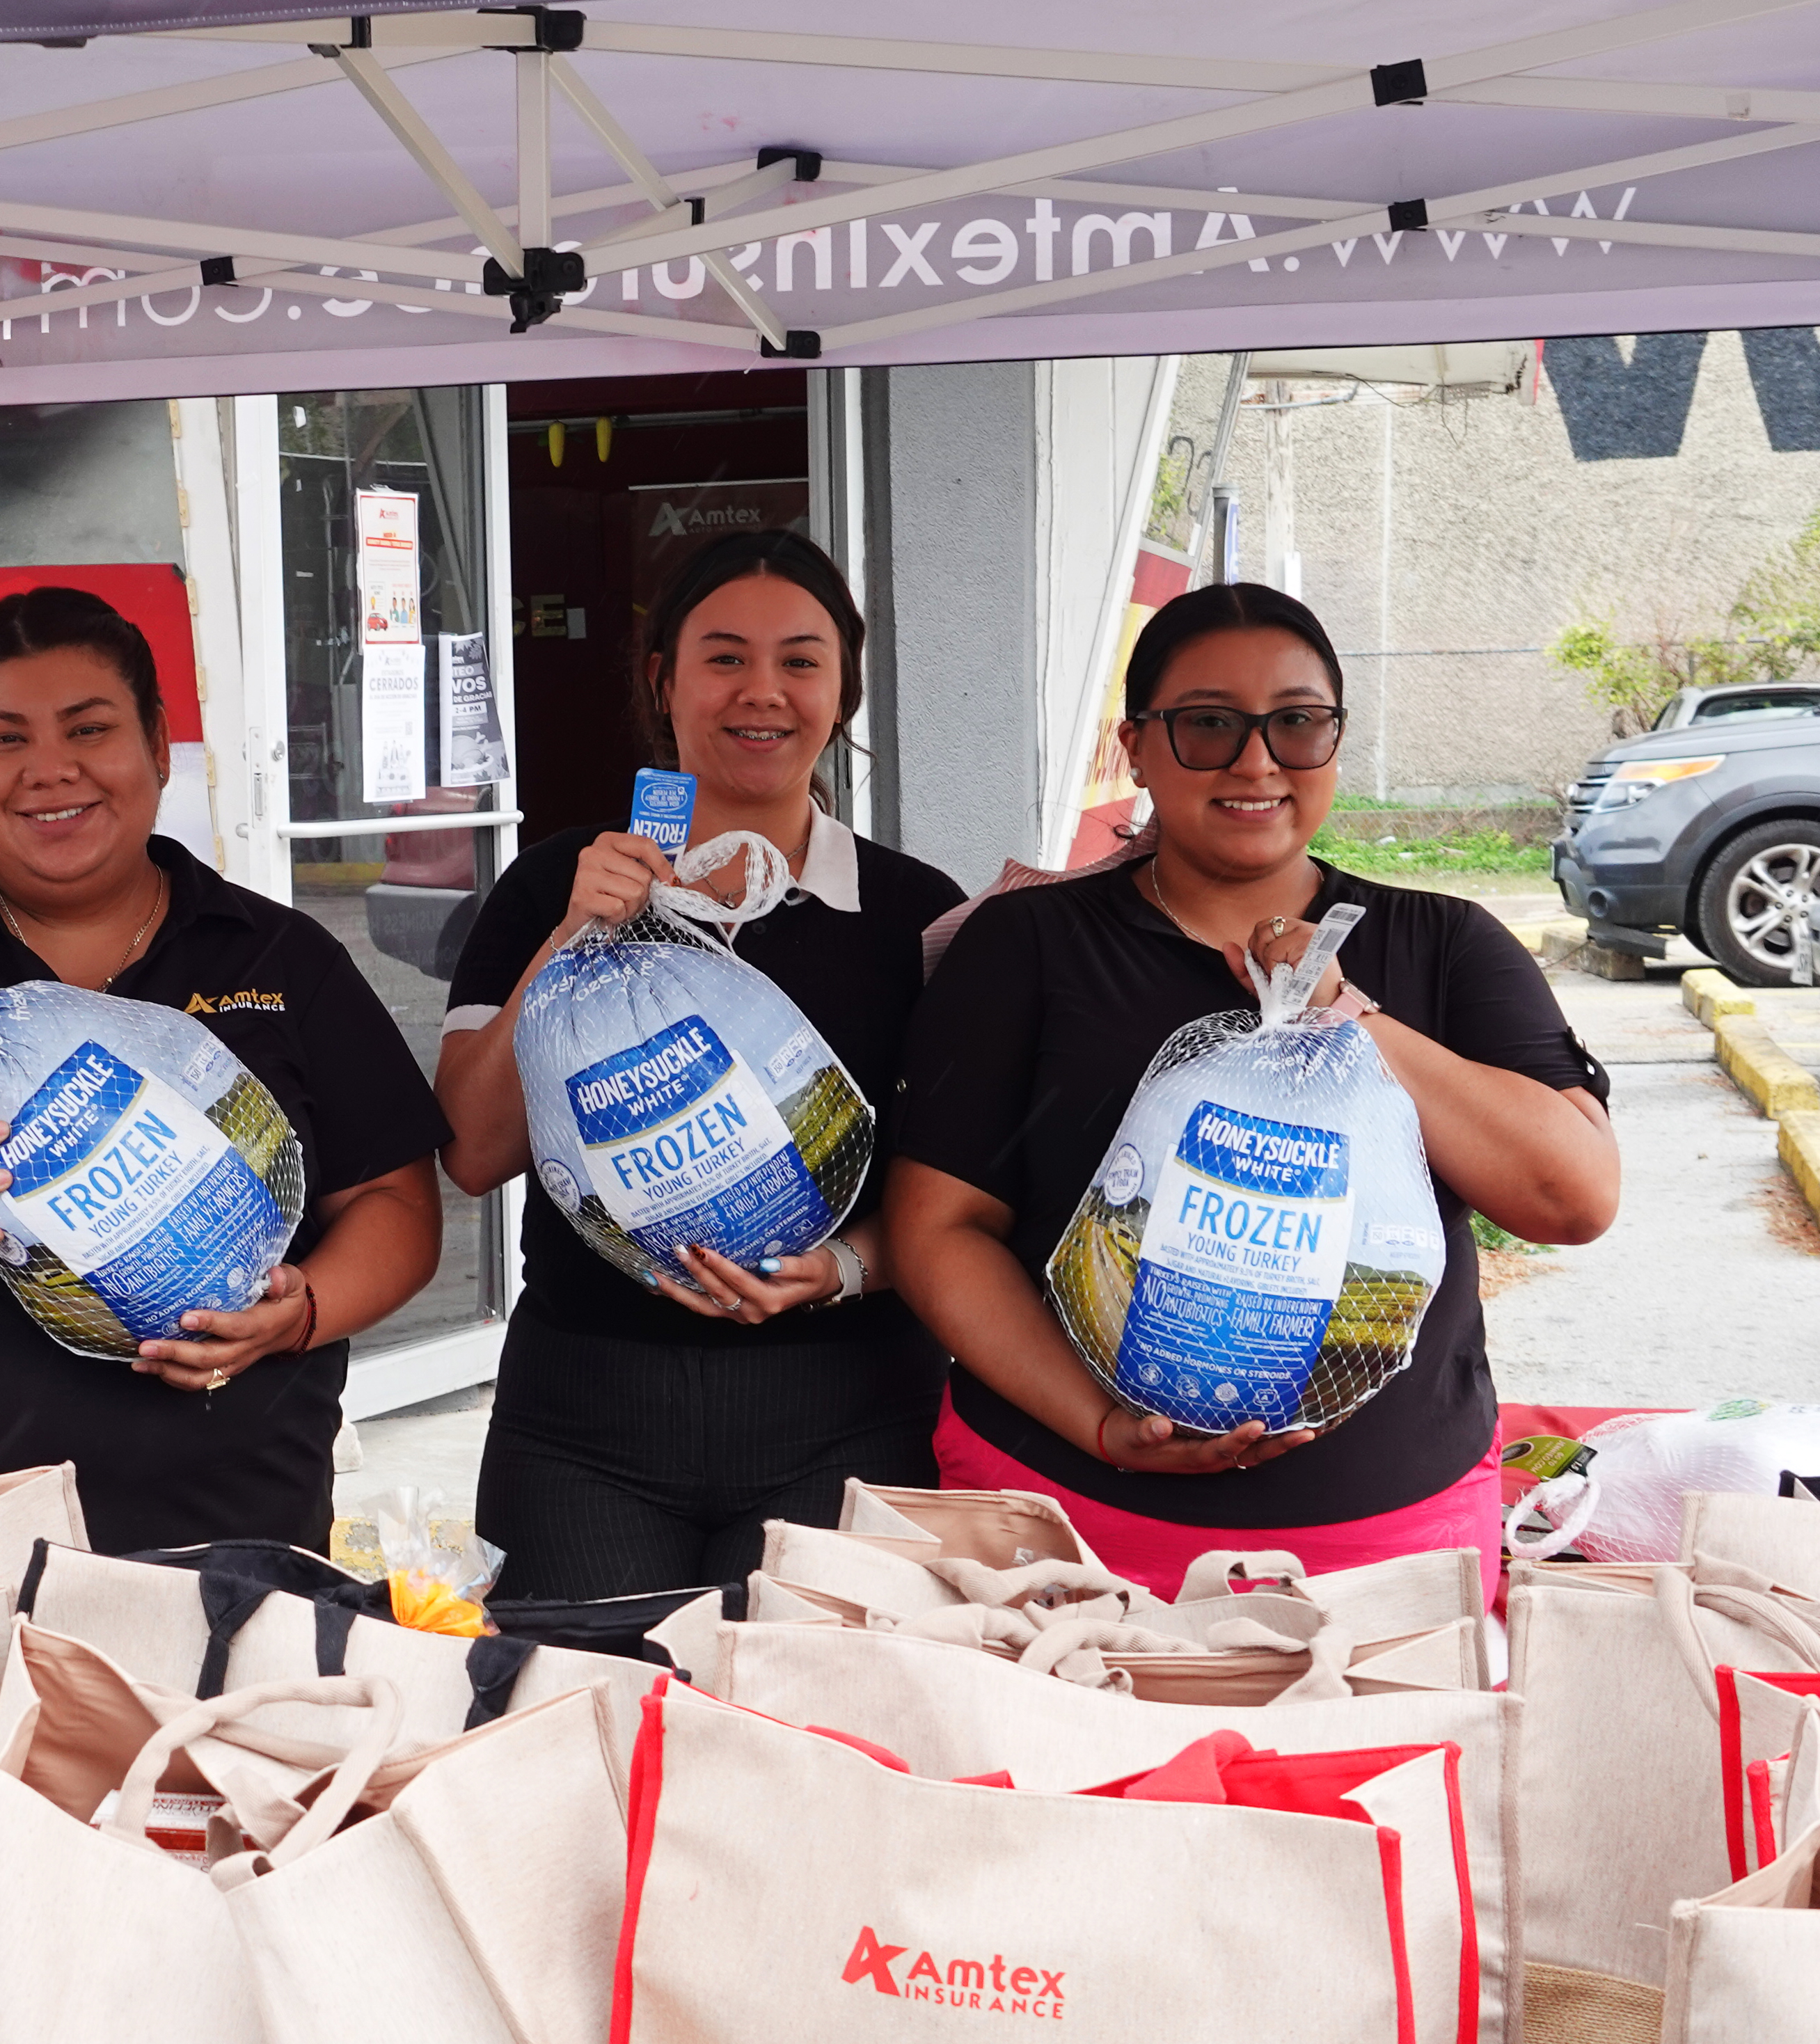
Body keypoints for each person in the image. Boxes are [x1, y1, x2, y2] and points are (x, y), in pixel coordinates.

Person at [889, 582, 1620, 1593]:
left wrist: (1347, 1011)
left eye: (1296, 724)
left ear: (1333, 741)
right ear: (1135, 747)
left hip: (1384, 1545)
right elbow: (940, 1229)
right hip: (1058, 1523)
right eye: (1206, 726)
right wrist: (1100, 1426)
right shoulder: (1028, 945)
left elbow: (1570, 1197)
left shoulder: (1442, 946)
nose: (1254, 760)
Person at [0, 585, 446, 1556]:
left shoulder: (274, 957)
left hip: (235, 1531)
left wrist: (299, 1313)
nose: (48, 771)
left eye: (88, 728)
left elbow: (396, 1203)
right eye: (4, 738)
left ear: (155, 743)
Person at [434, 530, 966, 1597]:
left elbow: (961, 1194)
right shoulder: (549, 885)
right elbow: (473, 1149)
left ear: (843, 690)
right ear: (661, 680)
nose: (760, 693)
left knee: (810, 1747)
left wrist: (848, 1267)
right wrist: (574, 935)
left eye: (800, 661)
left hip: (848, 1412)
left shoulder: (917, 916)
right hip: (580, 1423)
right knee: (580, 1734)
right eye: (723, 657)